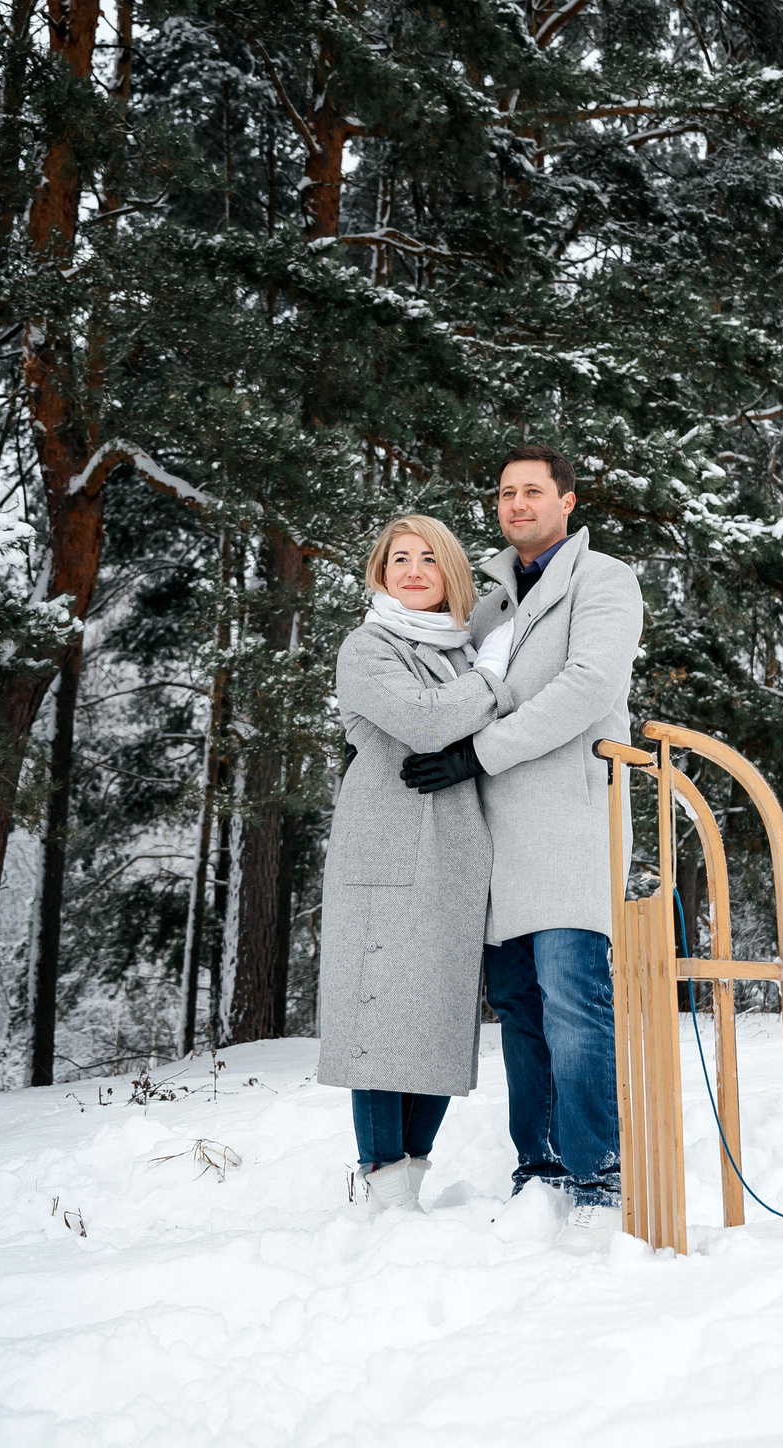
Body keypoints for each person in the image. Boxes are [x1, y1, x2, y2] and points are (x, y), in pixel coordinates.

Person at [398, 445, 644, 1253]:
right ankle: (538, 1172)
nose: (515, 503)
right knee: (521, 1012)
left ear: (567, 501)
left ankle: (598, 1179)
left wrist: (478, 752)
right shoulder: (484, 597)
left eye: (532, 490)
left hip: (568, 821)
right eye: (505, 492)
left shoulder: (602, 580)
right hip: (490, 832)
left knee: (575, 1006)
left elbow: (588, 687)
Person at [315, 515, 518, 1213]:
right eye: (398, 558)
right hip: (386, 849)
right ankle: (383, 1181)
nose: (412, 569)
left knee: (434, 1015)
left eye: (429, 559)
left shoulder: (461, 653)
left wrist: (481, 672)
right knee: (380, 1019)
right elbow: (429, 721)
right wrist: (495, 678)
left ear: (451, 574)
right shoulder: (367, 647)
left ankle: (413, 1177)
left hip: (457, 853)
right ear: (380, 572)